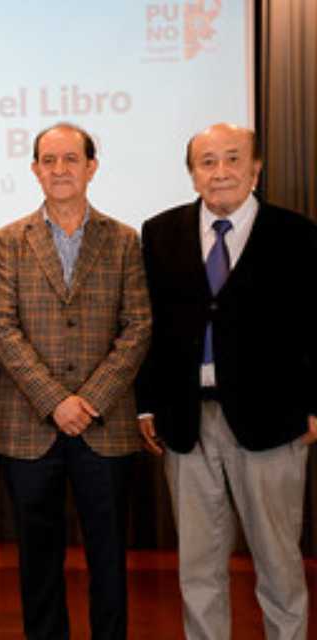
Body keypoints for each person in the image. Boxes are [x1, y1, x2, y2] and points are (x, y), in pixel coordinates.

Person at [137, 122, 317, 640]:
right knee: (197, 567)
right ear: (192, 174)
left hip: (273, 421)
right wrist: (146, 404)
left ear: (255, 168)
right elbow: (151, 325)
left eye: (233, 159)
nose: (221, 173)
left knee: (279, 565)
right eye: (207, 162)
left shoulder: (297, 234)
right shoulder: (160, 232)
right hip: (185, 421)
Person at [0, 123, 151, 639]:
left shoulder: (124, 240)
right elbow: (1, 325)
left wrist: (90, 400)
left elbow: (138, 325)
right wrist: (56, 401)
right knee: (38, 559)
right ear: (35, 169)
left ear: (91, 167)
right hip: (29, 426)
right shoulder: (8, 240)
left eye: (71, 159)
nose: (60, 170)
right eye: (48, 160)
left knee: (108, 557)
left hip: (106, 426)